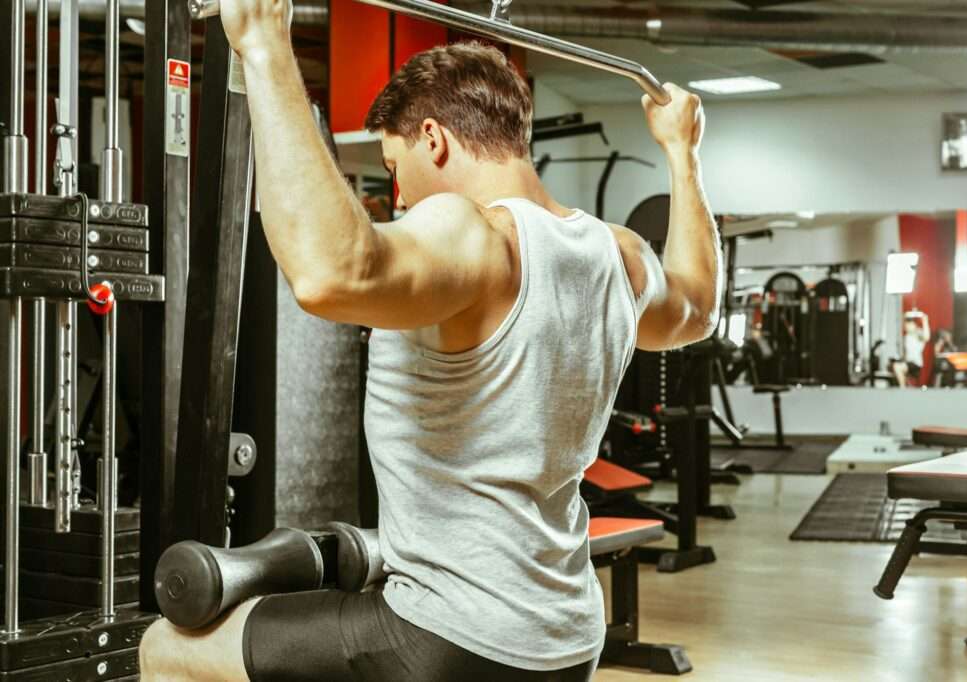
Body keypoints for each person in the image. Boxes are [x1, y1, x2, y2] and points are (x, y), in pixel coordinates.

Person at [138, 0, 721, 679]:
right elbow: (700, 307)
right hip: (565, 638)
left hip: (446, 634)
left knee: (169, 651)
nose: (400, 194)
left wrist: (264, 44)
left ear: (434, 140)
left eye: (395, 165)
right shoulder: (613, 254)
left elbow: (331, 273)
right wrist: (682, 153)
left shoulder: (472, 232)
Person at [893, 310, 930, 387]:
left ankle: (902, 389)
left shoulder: (918, 335)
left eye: (909, 324)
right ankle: (905, 386)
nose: (907, 327)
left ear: (914, 325)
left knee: (897, 367)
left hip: (915, 364)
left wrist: (925, 321)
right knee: (895, 366)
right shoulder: (905, 337)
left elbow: (926, 337)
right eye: (906, 325)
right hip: (907, 363)